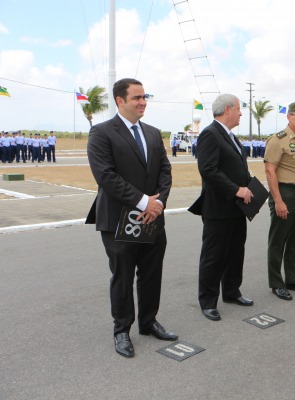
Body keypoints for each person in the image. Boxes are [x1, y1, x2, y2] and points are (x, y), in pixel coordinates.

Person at [87, 78, 177, 358]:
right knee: (123, 277)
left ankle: (148, 323)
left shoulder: (152, 133)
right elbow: (106, 176)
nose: (142, 102)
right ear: (120, 101)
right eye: (136, 97)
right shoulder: (102, 133)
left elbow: (164, 169)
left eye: (144, 97)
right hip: (117, 219)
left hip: (152, 218)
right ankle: (122, 330)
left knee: (152, 274)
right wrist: (143, 202)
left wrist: (158, 202)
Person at [194, 94, 254, 322]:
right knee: (214, 256)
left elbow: (235, 168)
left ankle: (231, 292)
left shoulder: (232, 137)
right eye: (239, 109)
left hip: (237, 208)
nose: (241, 113)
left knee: (235, 252)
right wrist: (235, 190)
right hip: (218, 208)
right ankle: (208, 301)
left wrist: (249, 186)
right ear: (228, 109)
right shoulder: (210, 134)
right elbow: (208, 169)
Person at [264, 101, 295, 301]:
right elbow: (270, 171)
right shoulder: (278, 140)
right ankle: (277, 283)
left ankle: (294, 279)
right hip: (285, 193)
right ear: (289, 117)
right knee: (278, 241)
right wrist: (278, 201)